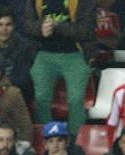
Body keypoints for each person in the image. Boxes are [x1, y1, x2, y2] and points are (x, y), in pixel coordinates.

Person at [25, 0, 96, 135]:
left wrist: (57, 27)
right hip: (44, 54)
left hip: (75, 54)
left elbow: (86, 30)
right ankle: (48, 138)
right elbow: (28, 24)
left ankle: (76, 142)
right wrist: (40, 28)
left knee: (76, 99)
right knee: (41, 98)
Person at [0, 5, 38, 104]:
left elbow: (24, 78)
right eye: (0, 25)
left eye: (8, 25)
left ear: (14, 26)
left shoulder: (26, 46)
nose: (4, 29)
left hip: (16, 96)